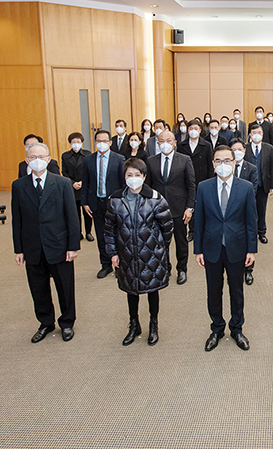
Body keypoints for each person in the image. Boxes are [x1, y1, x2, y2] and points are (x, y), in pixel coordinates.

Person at [11, 142, 80, 343]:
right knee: (38, 288)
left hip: (58, 245)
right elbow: (17, 220)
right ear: (27, 161)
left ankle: (67, 322)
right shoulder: (19, 185)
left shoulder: (62, 183)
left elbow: (72, 217)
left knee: (65, 287)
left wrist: (73, 246)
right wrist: (18, 249)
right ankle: (46, 322)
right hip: (32, 246)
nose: (37, 160)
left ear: (48, 159)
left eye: (41, 157)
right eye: (33, 157)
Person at [194, 145, 258, 352]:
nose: (223, 165)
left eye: (227, 160)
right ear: (213, 164)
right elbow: (199, 220)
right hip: (211, 247)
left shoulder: (246, 187)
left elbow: (251, 221)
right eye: (218, 161)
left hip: (237, 247)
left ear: (235, 162)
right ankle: (217, 328)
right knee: (213, 290)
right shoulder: (203, 187)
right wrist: (198, 250)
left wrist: (251, 250)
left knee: (236, 290)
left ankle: (237, 328)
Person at [105, 157, 173, 346]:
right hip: (126, 254)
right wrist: (113, 253)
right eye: (129, 175)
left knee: (152, 290)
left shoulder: (155, 198)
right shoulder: (115, 200)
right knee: (130, 290)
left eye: (137, 174)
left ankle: (153, 324)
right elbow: (109, 229)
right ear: (124, 177)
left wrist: (159, 248)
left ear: (144, 176)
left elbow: (167, 227)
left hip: (151, 255)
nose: (133, 178)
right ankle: (134, 325)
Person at [145, 130, 196, 285]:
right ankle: (165, 267)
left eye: (168, 140)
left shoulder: (185, 160)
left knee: (181, 242)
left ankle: (182, 269)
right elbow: (148, 187)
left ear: (174, 143)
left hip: (179, 209)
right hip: (157, 209)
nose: (165, 143)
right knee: (160, 243)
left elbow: (191, 186)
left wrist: (190, 208)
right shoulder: (151, 161)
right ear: (157, 143)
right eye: (162, 140)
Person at [81, 129, 126, 279]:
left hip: (114, 204)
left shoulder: (119, 159)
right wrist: (85, 202)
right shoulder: (88, 160)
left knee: (118, 235)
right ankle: (105, 265)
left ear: (110, 142)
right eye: (99, 141)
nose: (102, 143)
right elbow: (85, 183)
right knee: (101, 236)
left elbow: (123, 184)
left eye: (105, 141)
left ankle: (120, 266)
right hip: (96, 203)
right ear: (95, 142)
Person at [244, 123, 273, 249]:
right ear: (250, 135)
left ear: (262, 135)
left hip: (263, 184)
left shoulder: (269, 148)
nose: (257, 135)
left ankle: (262, 232)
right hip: (248, 185)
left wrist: (272, 185)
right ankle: (249, 233)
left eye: (259, 133)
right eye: (254, 133)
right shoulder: (245, 148)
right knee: (248, 209)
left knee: (261, 209)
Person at [61, 132, 93, 242]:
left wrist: (82, 182)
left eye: (78, 142)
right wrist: (73, 183)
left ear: (82, 142)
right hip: (72, 187)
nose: (76, 144)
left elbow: (91, 171)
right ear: (70, 143)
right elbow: (64, 172)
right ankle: (78, 233)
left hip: (85, 186)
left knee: (87, 212)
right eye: (73, 142)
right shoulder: (65, 156)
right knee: (75, 213)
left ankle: (88, 232)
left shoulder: (88, 154)